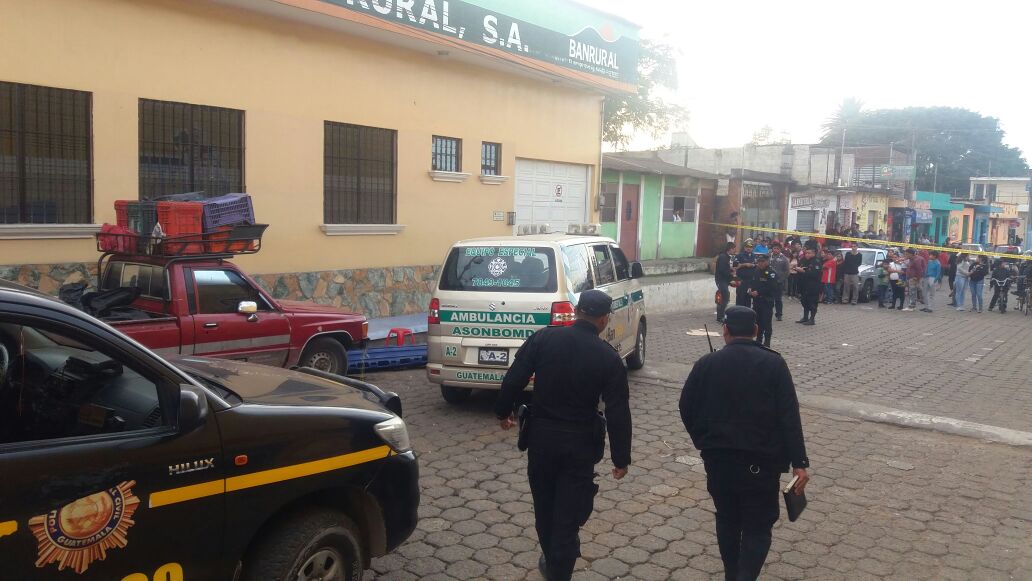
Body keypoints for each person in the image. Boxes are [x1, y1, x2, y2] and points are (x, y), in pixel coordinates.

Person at [494, 290, 632, 581]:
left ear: (577, 311)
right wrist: (621, 458)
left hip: (541, 441)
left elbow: (514, 378)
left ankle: (553, 560)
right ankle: (560, 569)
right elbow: (618, 412)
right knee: (568, 519)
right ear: (604, 319)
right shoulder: (608, 357)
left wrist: (503, 412)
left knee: (544, 508)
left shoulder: (543, 338)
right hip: (580, 446)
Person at [678, 306, 810, 581]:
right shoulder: (774, 363)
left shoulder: (706, 363)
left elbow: (686, 407)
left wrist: (704, 440)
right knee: (758, 526)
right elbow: (789, 415)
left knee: (727, 518)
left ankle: (732, 574)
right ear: (756, 331)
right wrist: (800, 463)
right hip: (761, 464)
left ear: (725, 330)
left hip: (719, 461)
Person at [748, 255, 778, 347]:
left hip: (766, 301)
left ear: (767, 261)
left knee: (766, 322)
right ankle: (758, 339)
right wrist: (750, 288)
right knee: (757, 321)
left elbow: (771, 287)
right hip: (757, 301)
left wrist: (759, 292)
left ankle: (767, 341)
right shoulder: (756, 271)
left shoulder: (771, 272)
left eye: (762, 261)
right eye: (759, 261)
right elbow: (753, 282)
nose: (760, 263)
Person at [794, 248, 821, 325]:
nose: (807, 254)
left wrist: (803, 271)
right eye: (806, 253)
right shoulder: (803, 260)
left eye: (809, 253)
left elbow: (815, 274)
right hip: (803, 285)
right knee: (804, 302)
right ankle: (805, 317)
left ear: (814, 253)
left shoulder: (816, 262)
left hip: (813, 286)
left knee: (812, 303)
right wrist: (797, 269)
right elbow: (800, 268)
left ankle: (812, 319)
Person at [715, 242, 735, 324]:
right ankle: (720, 317)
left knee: (724, 298)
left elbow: (726, 269)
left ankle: (720, 315)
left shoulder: (726, 257)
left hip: (724, 280)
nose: (734, 250)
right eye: (734, 249)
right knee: (725, 297)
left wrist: (731, 269)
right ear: (730, 249)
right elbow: (723, 271)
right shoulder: (723, 257)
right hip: (721, 280)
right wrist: (730, 279)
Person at [769, 244, 790, 321]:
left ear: (780, 250)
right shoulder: (768, 257)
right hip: (769, 282)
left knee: (778, 299)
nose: (775, 250)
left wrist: (780, 280)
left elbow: (787, 271)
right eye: (774, 248)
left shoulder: (784, 259)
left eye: (777, 249)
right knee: (769, 299)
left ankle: (779, 314)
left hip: (778, 282)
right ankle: (768, 313)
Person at [735, 241, 758, 307]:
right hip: (741, 280)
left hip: (750, 281)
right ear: (744, 247)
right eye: (747, 247)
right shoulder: (739, 255)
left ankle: (747, 314)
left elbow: (757, 265)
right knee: (740, 297)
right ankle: (738, 313)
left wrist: (752, 265)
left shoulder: (754, 256)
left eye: (750, 247)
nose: (749, 248)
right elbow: (735, 266)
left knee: (748, 298)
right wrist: (744, 264)